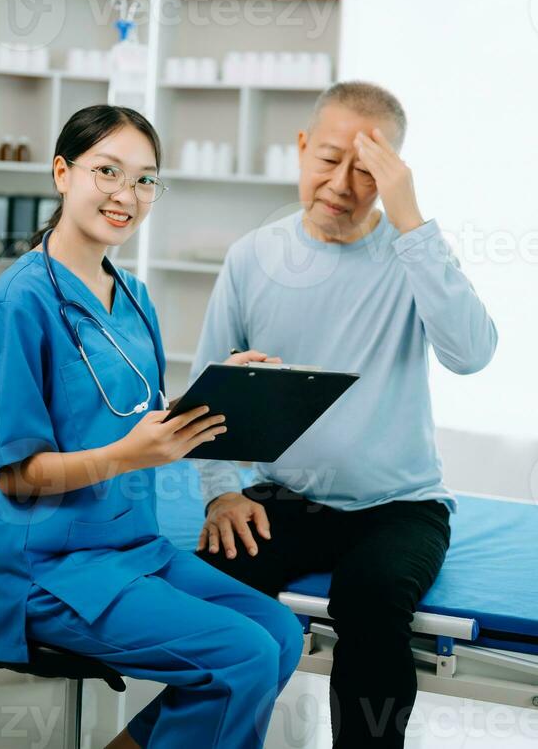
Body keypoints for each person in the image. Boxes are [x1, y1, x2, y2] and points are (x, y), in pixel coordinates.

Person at [0, 105, 304, 749]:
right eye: (108, 171)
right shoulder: (19, 304)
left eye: (146, 179)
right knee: (241, 657)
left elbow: (134, 408)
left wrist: (222, 388)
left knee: (281, 635)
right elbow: (15, 475)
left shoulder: (134, 296)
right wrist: (127, 455)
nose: (127, 195)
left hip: (130, 548)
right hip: (49, 567)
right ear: (63, 173)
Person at [192, 81, 498, 748]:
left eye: (367, 169)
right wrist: (220, 495)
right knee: (207, 586)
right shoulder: (252, 257)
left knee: (369, 600)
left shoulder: (408, 254)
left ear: (390, 175)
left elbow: (472, 354)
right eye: (328, 158)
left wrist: (411, 220)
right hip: (287, 497)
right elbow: (205, 397)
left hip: (399, 505)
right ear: (301, 148)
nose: (341, 183)